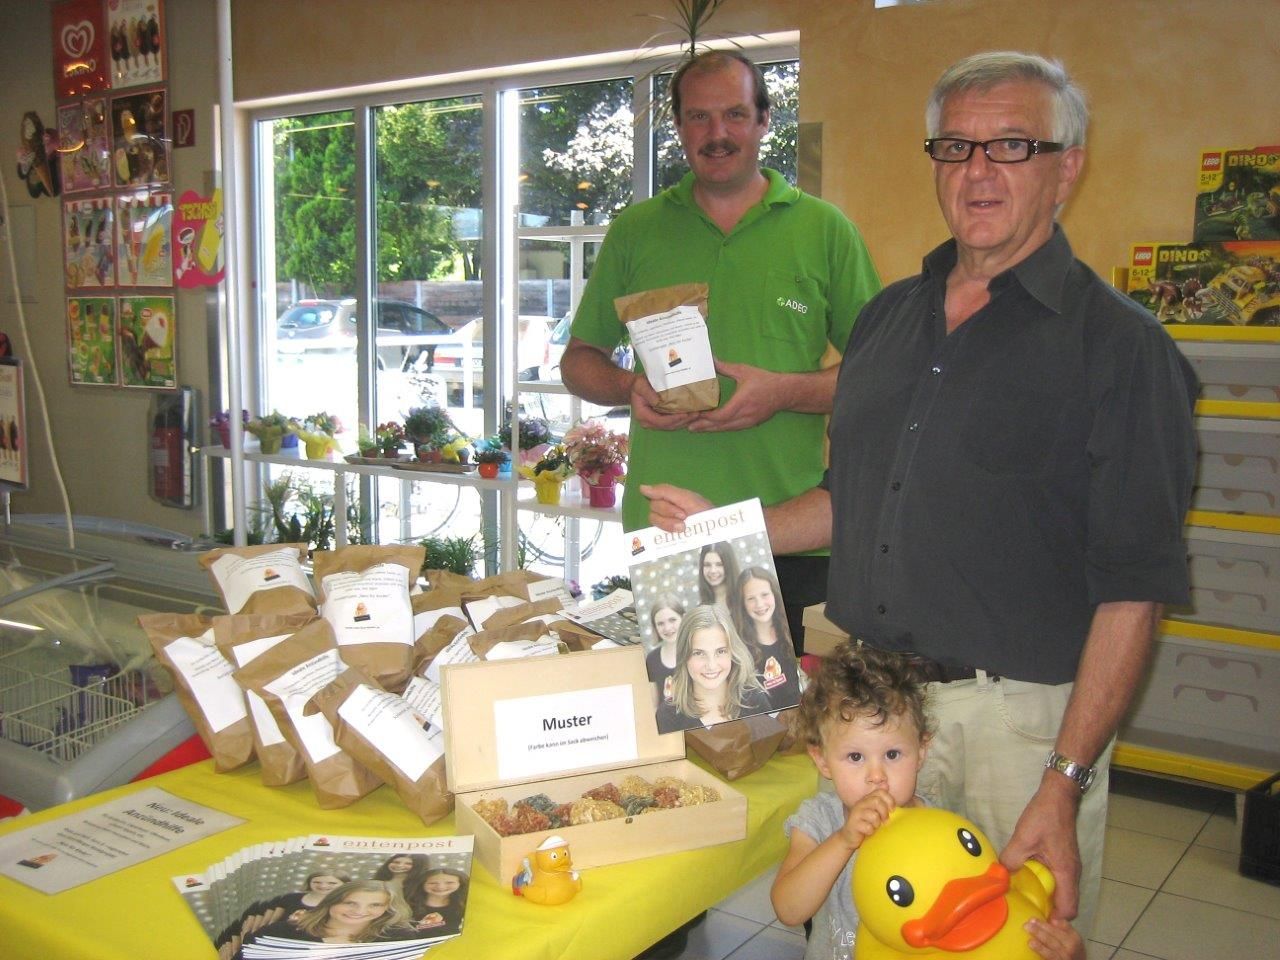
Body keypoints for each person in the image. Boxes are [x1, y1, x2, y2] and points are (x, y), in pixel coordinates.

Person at [645, 51, 1199, 940]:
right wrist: (727, 529)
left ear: (1067, 167)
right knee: (862, 938)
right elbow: (851, 498)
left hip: (1014, 731)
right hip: (877, 714)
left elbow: (1135, 588)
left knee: (1001, 945)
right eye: (955, 147)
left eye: (1011, 146)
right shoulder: (888, 319)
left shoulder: (1121, 348)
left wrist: (1064, 780)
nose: (978, 171)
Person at [561, 49, 882, 654]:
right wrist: (629, 386)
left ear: (764, 120)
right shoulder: (636, 231)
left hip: (792, 534)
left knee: (797, 712)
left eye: (734, 114)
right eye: (699, 117)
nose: (717, 133)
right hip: (669, 534)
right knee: (694, 704)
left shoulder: (825, 231)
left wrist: (783, 393)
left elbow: (882, 376)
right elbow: (578, 360)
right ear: (680, 127)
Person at [772, 642, 1083, 960]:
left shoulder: (941, 825)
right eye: (855, 757)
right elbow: (788, 909)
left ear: (921, 751)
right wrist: (843, 840)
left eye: (893, 754)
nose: (876, 776)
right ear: (822, 760)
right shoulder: (820, 821)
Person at [656, 603, 770, 733]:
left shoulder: (755, 700)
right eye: (699, 653)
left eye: (720, 651)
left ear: (732, 652)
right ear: (684, 655)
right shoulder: (667, 716)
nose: (711, 665)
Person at [239, 880, 416, 950]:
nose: (360, 911)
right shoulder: (278, 933)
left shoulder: (399, 937)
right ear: (331, 901)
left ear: (387, 908)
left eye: (375, 905)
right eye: (350, 903)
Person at [731, 565, 800, 710]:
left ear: (775, 594)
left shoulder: (793, 628)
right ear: (742, 604)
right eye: (751, 598)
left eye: (764, 595)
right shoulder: (738, 649)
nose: (760, 604)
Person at [404, 867, 469, 937]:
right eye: (433, 883)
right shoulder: (407, 904)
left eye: (449, 882)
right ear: (422, 884)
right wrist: (424, 924)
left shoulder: (465, 903)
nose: (440, 887)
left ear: (460, 883)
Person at [645, 593, 686, 706]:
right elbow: (654, 706)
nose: (667, 628)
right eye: (660, 623)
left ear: (684, 618)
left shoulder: (697, 652)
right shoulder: (652, 659)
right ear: (655, 627)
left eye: (672, 620)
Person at [696, 541, 739, 609]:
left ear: (729, 565)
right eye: (707, 565)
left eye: (719, 564)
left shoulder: (742, 600)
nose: (713, 570)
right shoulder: (701, 609)